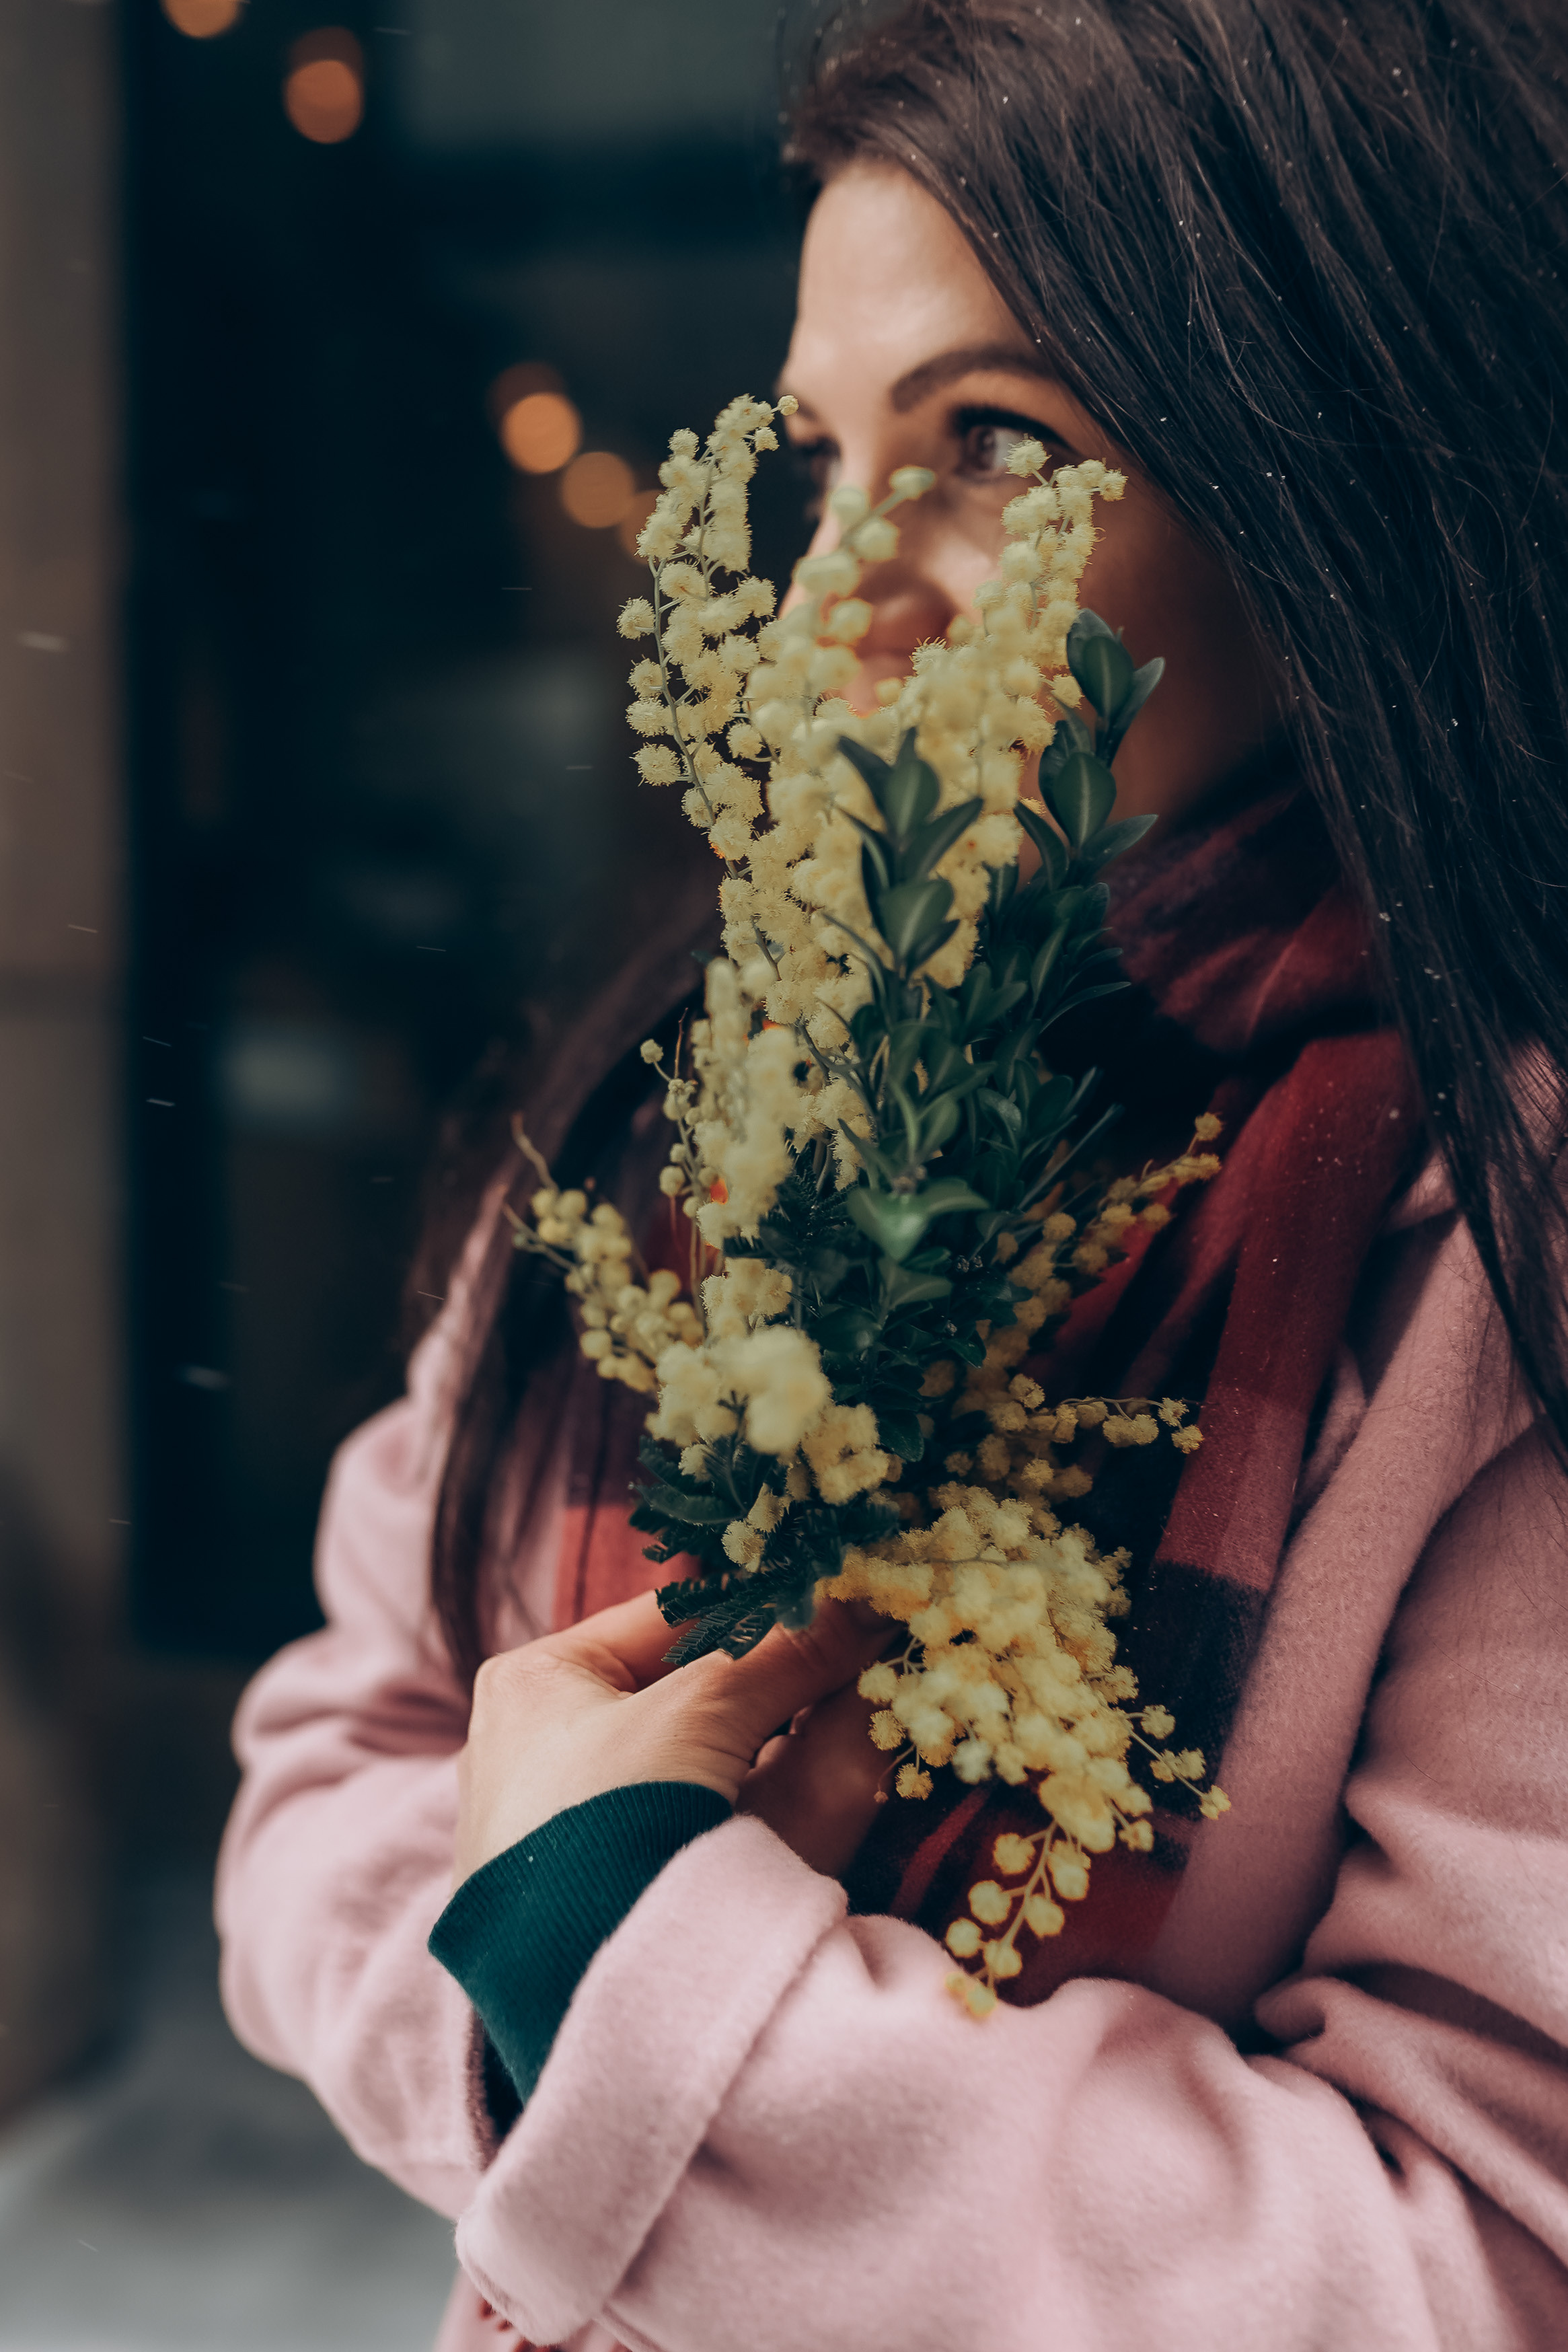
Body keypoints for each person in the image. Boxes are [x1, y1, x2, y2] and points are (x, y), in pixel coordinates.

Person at [215, 3, 1568, 2346]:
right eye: (828, 454)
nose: (838, 593)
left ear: (1326, 483)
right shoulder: (681, 1114)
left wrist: (639, 1979)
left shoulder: (1485, 1250)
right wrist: (536, 2019)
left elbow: (1474, 2255)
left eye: (992, 445)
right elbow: (335, 1760)